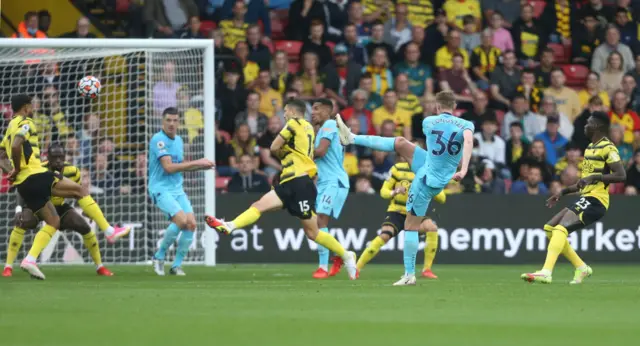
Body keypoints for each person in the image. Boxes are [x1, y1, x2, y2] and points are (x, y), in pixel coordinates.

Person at [205, 100, 358, 280]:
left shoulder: (293, 124)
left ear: (293, 112)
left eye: (285, 111)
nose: (283, 115)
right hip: (289, 181)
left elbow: (273, 147)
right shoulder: (309, 128)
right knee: (259, 205)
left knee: (313, 233)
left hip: (300, 182)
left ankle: (346, 255)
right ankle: (230, 226)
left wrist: (283, 151)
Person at [334, 90, 474, 285]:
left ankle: (409, 275)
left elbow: (437, 138)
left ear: (437, 106)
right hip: (436, 169)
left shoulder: (429, 122)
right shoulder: (467, 125)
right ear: (455, 107)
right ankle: (351, 138)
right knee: (400, 143)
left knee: (410, 226)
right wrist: (464, 169)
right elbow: (467, 141)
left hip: (427, 179)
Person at [0, 95, 128, 280]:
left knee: (53, 222)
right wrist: (18, 168)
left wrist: (10, 172)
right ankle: (109, 231)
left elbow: (2, 153)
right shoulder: (27, 122)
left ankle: (30, 259)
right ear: (26, 107)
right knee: (80, 190)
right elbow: (18, 144)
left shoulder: (9, 128)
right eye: (32, 106)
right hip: (36, 175)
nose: (34, 109)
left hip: (24, 184)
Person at [522, 112, 626, 284]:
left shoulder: (608, 148)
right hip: (586, 196)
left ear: (598, 127)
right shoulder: (590, 148)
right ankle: (581, 267)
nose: (585, 126)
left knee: (561, 229)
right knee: (550, 228)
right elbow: (584, 182)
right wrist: (563, 192)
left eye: (589, 123)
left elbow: (621, 175)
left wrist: (596, 177)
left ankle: (546, 271)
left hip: (597, 200)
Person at [1, 143, 114, 277]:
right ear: (47, 157)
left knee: (84, 227)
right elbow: (21, 189)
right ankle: (8, 267)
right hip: (38, 205)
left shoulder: (73, 171)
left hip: (59, 207)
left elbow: (79, 192)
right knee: (22, 222)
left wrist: (87, 210)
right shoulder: (38, 169)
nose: (58, 160)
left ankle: (100, 266)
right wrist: (19, 209)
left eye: (61, 156)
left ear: (65, 156)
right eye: (55, 157)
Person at [150, 107, 215, 276]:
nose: (171, 124)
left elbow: (180, 167)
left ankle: (176, 266)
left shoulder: (178, 140)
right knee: (181, 220)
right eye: (168, 120)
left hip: (177, 190)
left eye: (175, 120)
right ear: (162, 121)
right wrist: (198, 162)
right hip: (160, 189)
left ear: (179, 122)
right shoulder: (158, 140)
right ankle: (159, 256)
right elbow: (169, 168)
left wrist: (201, 167)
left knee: (191, 224)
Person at [356, 156, 446, 279]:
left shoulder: (426, 171)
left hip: (415, 212)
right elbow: (384, 192)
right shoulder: (397, 169)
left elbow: (442, 198)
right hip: (397, 210)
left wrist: (430, 187)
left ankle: (427, 270)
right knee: (385, 235)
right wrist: (395, 191)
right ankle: (357, 268)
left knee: (432, 228)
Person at [309, 99, 350, 279]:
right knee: (315, 225)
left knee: (319, 223)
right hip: (324, 182)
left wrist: (297, 152)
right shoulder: (320, 130)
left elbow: (320, 152)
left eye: (317, 109)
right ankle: (340, 255)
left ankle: (323, 268)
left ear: (327, 111)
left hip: (334, 181)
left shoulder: (330, 124)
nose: (312, 112)